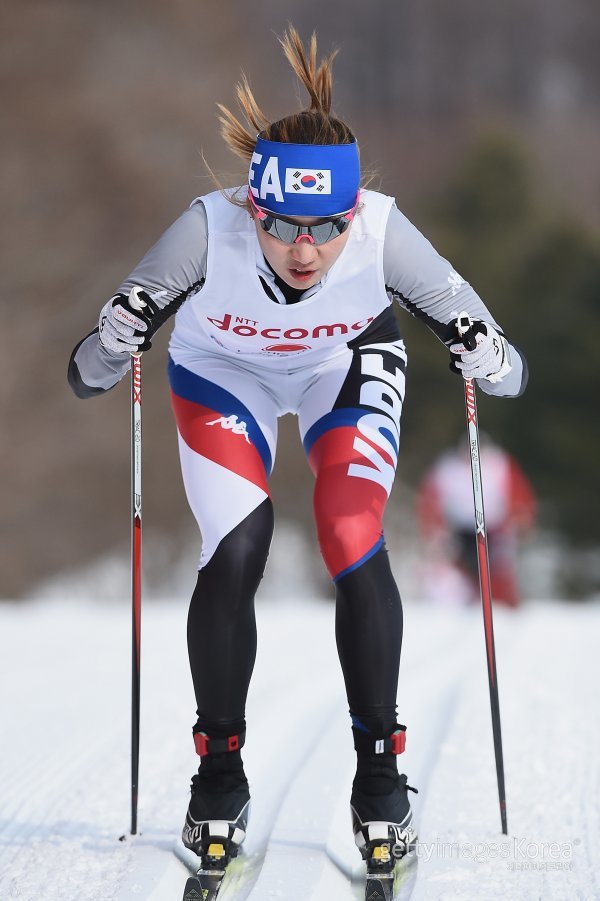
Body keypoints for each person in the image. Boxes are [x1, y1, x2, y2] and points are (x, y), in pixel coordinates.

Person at [68, 28, 528, 874]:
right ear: (253, 206)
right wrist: (116, 333)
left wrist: (482, 349)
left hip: (341, 367)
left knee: (352, 532)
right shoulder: (207, 230)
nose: (304, 248)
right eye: (281, 224)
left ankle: (380, 776)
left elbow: (505, 370)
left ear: (354, 212)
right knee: (238, 541)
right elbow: (87, 373)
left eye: (326, 227)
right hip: (222, 373)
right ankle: (219, 771)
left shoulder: (387, 233)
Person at [416, 436, 536, 607]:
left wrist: (521, 519)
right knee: (456, 570)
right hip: (458, 527)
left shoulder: (498, 463)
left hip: (493, 527)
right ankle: (462, 604)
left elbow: (517, 493)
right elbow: (430, 499)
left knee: (496, 568)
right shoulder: (448, 467)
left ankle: (502, 605)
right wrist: (433, 528)